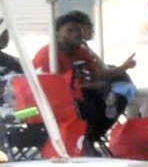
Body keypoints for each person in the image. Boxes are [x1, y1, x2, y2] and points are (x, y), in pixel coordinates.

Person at [31, 12, 135, 154]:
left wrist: (123, 68)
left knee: (118, 100)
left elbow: (97, 75)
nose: (76, 34)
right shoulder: (48, 55)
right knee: (87, 108)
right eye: (70, 30)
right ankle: (83, 143)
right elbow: (52, 87)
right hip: (59, 100)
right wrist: (88, 86)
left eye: (78, 30)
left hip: (86, 93)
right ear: (57, 33)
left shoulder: (82, 52)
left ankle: (89, 139)